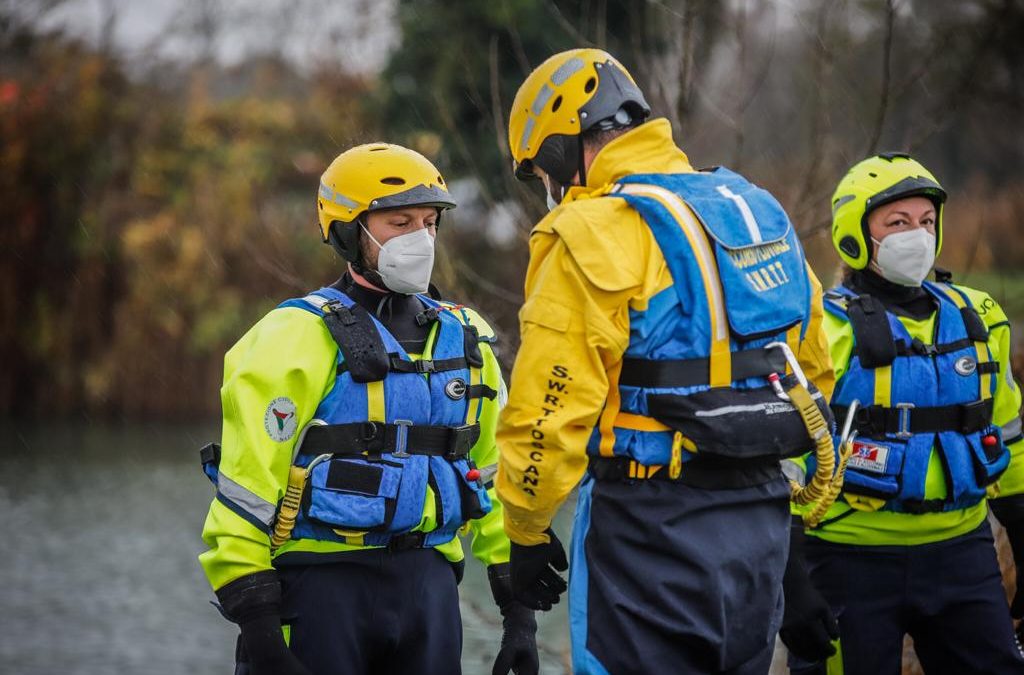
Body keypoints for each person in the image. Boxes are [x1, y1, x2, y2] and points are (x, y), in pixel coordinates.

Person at [495, 48, 836, 674]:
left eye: (540, 171)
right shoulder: (752, 209)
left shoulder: (589, 230)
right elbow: (813, 368)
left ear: (558, 151)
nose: (546, 187)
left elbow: (547, 413)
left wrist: (526, 527)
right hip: (759, 529)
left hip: (647, 534)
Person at [197, 143, 538, 675]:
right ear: (349, 231)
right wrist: (259, 625)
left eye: (429, 222)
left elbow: (492, 480)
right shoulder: (293, 338)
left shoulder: (464, 339)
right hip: (320, 589)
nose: (420, 239)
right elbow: (244, 494)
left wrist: (518, 611)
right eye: (400, 222)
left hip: (429, 590)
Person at [783, 152, 1024, 674]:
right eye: (897, 223)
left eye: (926, 222)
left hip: (963, 554)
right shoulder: (823, 332)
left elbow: (1007, 430)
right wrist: (791, 578)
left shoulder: (979, 318)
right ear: (854, 234)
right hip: (848, 562)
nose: (915, 236)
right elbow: (786, 459)